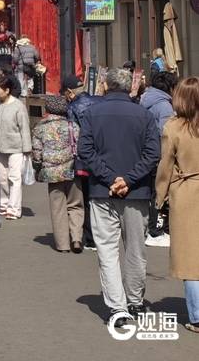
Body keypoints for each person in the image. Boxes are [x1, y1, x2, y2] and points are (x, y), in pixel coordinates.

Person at [77, 66, 161, 327]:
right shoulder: (143, 115)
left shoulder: (92, 114)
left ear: (105, 85)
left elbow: (85, 151)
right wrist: (129, 179)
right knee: (136, 249)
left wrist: (111, 178)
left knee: (107, 250)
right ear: (130, 87)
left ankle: (117, 306)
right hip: (136, 192)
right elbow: (152, 153)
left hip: (103, 191)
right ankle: (135, 301)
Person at [155, 77, 199, 334]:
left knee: (190, 259)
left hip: (185, 193)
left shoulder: (173, 128)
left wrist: (160, 197)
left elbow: (165, 167)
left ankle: (196, 316)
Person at [32, 95, 84, 253]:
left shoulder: (40, 127)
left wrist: (37, 167)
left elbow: (36, 153)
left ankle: (63, 244)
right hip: (71, 169)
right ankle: (76, 238)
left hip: (51, 172)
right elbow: (81, 148)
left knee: (58, 208)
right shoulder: (73, 125)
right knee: (75, 205)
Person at [143, 70, 178, 246]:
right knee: (160, 192)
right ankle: (156, 232)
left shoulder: (145, 99)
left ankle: (151, 228)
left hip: (145, 153)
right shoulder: (164, 106)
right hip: (158, 154)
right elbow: (167, 134)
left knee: (150, 191)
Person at [63, 72, 97, 249]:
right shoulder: (98, 102)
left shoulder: (73, 107)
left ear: (70, 92)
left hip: (83, 158)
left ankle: (89, 237)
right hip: (101, 155)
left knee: (84, 197)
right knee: (99, 198)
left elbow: (73, 135)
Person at [0, 76, 31, 220]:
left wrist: (27, 149)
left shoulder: (18, 106)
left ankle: (14, 209)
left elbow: (24, 128)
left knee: (15, 178)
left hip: (16, 148)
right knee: (0, 177)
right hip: (0, 147)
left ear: (7, 90)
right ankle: (3, 204)